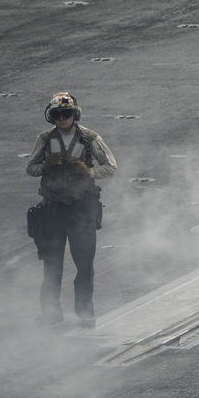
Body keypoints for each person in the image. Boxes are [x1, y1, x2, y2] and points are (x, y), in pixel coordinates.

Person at [26, 92, 117, 328]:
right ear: (51, 117)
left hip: (82, 211)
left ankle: (86, 313)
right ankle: (50, 312)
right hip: (53, 211)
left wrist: (89, 173)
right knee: (52, 266)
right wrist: (45, 165)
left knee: (84, 265)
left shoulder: (89, 138)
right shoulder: (45, 139)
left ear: (75, 114)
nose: (62, 118)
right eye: (57, 115)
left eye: (66, 114)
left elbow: (110, 167)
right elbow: (31, 168)